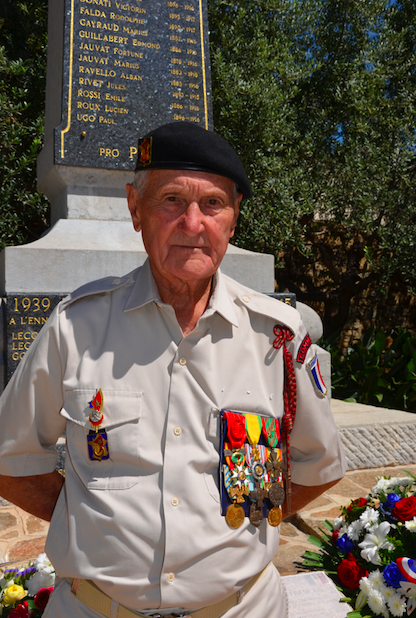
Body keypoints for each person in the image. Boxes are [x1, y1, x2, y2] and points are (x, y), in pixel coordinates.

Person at [0, 122, 346, 618]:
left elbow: (317, 465)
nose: (192, 222)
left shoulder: (278, 337)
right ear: (134, 209)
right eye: (170, 200)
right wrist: (88, 523)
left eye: (212, 204)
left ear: (233, 219)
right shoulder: (75, 328)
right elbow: (10, 459)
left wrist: (242, 526)